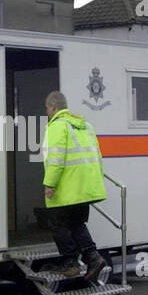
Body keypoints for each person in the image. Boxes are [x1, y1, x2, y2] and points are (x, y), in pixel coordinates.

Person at [41, 91, 108, 282]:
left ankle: (70, 263)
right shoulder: (85, 125)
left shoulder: (57, 126)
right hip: (85, 188)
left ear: (53, 107)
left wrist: (50, 184)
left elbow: (56, 159)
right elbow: (98, 157)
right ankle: (93, 258)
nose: (47, 112)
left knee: (57, 224)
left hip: (66, 188)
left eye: (47, 108)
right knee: (77, 223)